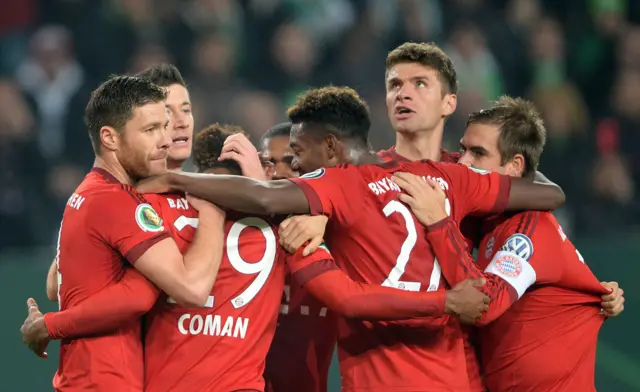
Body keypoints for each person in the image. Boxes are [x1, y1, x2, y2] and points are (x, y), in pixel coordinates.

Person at [136, 86, 567, 391]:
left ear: (330, 149)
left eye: (300, 155)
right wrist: (465, 166)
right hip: (450, 379)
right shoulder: (440, 176)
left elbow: (264, 197)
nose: (298, 169)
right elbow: (550, 193)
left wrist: (172, 177)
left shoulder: (334, 187)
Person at [396, 96, 623, 392]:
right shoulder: (491, 219)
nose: (463, 162)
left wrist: (439, 222)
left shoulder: (529, 230)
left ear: (515, 166)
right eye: (463, 149)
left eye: (478, 153)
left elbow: (484, 305)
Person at [19, 75, 226, 392]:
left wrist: (50, 324)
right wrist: (214, 210)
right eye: (149, 130)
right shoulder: (117, 202)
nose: (165, 140)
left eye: (164, 126)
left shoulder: (89, 193)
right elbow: (192, 289)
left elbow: (59, 285)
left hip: (86, 378)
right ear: (110, 138)